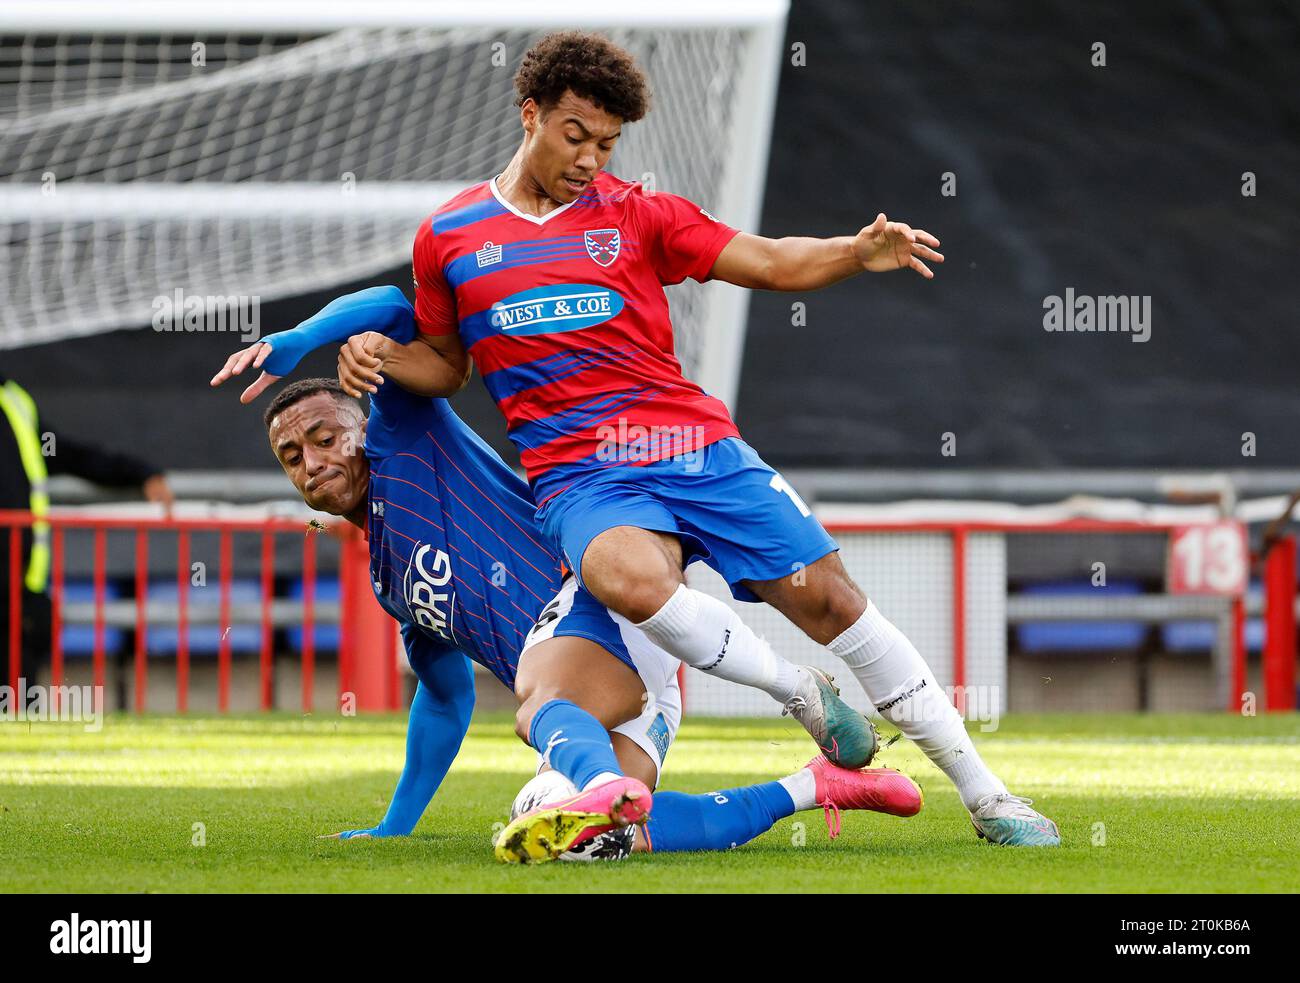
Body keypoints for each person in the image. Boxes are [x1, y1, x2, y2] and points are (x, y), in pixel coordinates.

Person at [339, 31, 1057, 846]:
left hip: (690, 445)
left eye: (607, 143)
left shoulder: (637, 213)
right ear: (530, 112)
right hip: (582, 473)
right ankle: (796, 693)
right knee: (619, 573)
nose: (590, 158)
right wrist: (386, 356)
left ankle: (989, 794)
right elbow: (446, 365)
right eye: (576, 135)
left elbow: (772, 263)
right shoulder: (451, 237)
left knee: (833, 601)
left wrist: (853, 254)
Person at [210, 290, 920, 863]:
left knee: (538, 711)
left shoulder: (405, 432)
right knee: (578, 832)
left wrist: (299, 338)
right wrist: (396, 824)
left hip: (594, 598)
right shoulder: (389, 580)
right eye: (291, 455)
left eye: (324, 436)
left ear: (361, 427)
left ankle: (766, 703)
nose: (310, 460)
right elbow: (443, 695)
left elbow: (398, 305)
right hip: (613, 685)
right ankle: (816, 786)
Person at [0, 373, 173, 692]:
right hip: (14, 595)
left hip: (21, 596)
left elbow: (67, 454)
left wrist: (139, 473)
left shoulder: (13, 399)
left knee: (20, 720)